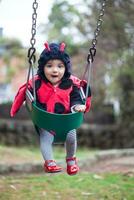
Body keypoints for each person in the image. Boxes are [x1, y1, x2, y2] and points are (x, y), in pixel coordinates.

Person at [10, 42, 91, 175]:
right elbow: (24, 92)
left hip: (66, 121)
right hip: (46, 121)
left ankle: (71, 162)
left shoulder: (71, 83)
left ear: (66, 68)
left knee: (71, 137)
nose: (55, 70)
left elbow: (77, 97)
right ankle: (49, 162)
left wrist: (77, 107)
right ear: (43, 67)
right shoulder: (37, 83)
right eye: (49, 66)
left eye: (60, 66)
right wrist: (20, 105)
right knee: (45, 138)